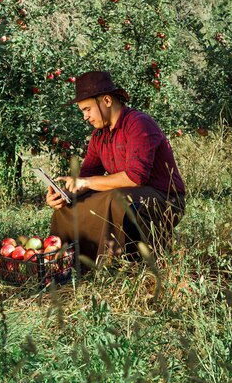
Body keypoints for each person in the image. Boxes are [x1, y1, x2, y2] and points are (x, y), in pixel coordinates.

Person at [46, 70, 185, 265]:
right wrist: (64, 194)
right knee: (70, 206)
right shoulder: (99, 136)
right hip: (132, 194)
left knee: (114, 198)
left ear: (107, 101)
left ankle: (120, 260)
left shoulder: (139, 123)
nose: (85, 117)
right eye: (82, 111)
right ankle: (66, 261)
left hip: (166, 199)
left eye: (87, 109)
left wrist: (86, 182)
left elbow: (135, 178)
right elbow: (87, 177)